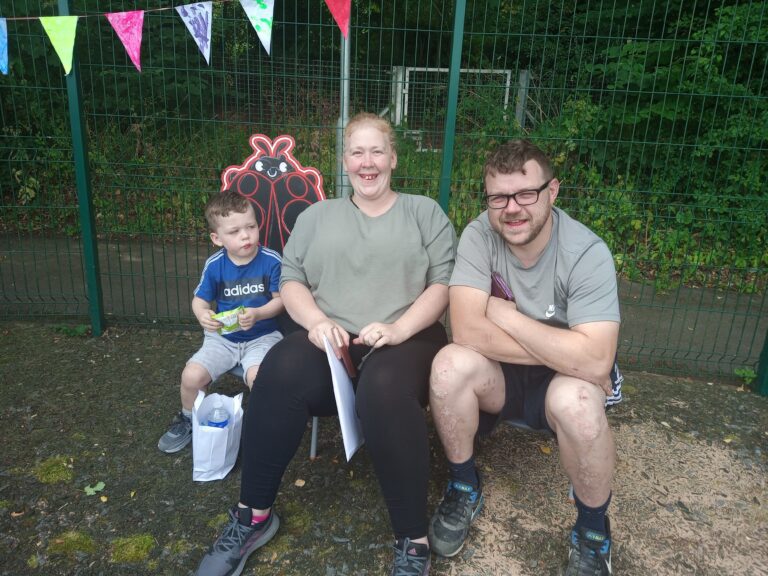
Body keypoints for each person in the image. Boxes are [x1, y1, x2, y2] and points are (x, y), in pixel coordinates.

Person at [194, 112, 457, 576]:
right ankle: (253, 516)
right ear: (344, 161)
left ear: (393, 157)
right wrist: (315, 323)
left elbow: (441, 285)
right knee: (278, 371)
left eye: (378, 150)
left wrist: (397, 330)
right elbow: (292, 280)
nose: (368, 161)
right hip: (332, 337)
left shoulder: (424, 212)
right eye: (357, 151)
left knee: (384, 389)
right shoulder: (316, 217)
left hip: (407, 337)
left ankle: (413, 539)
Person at [428, 139, 623, 576]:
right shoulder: (480, 234)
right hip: (502, 376)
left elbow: (595, 361)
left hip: (562, 384)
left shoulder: (588, 253)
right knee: (448, 364)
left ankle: (593, 533)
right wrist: (565, 347)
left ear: (552, 191)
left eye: (525, 194)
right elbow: (466, 330)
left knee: (578, 403)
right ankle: (463, 484)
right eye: (498, 197)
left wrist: (508, 318)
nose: (511, 208)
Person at [157, 190, 284, 453]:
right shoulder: (215, 265)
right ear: (217, 238)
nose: (246, 235)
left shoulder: (271, 261)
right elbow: (199, 301)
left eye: (251, 226)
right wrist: (203, 315)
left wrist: (258, 314)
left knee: (261, 379)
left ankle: (263, 427)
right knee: (192, 376)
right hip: (223, 338)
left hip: (262, 336)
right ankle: (188, 418)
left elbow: (282, 300)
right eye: (235, 231)